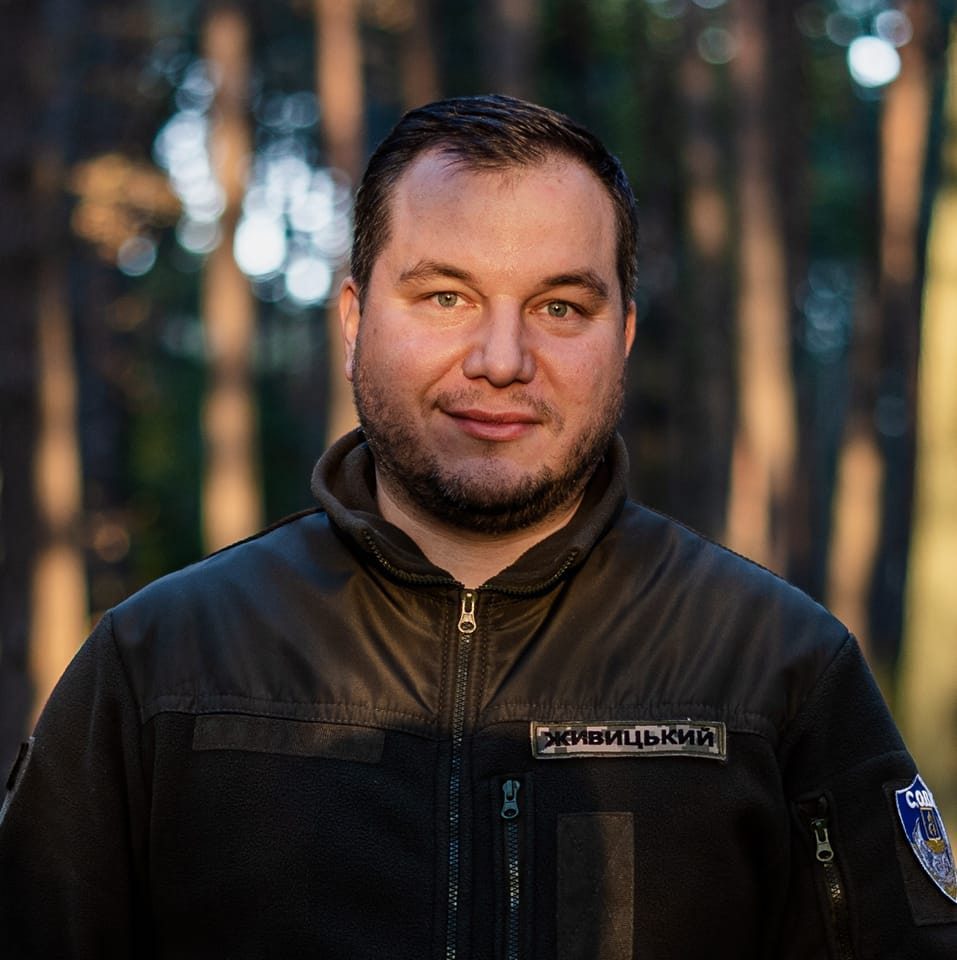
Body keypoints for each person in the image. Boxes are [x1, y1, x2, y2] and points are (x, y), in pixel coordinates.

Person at [1, 95, 955, 959]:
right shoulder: (161, 662)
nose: (502, 360)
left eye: (559, 306)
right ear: (354, 318)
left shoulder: (778, 665)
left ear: (621, 336)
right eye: (445, 297)